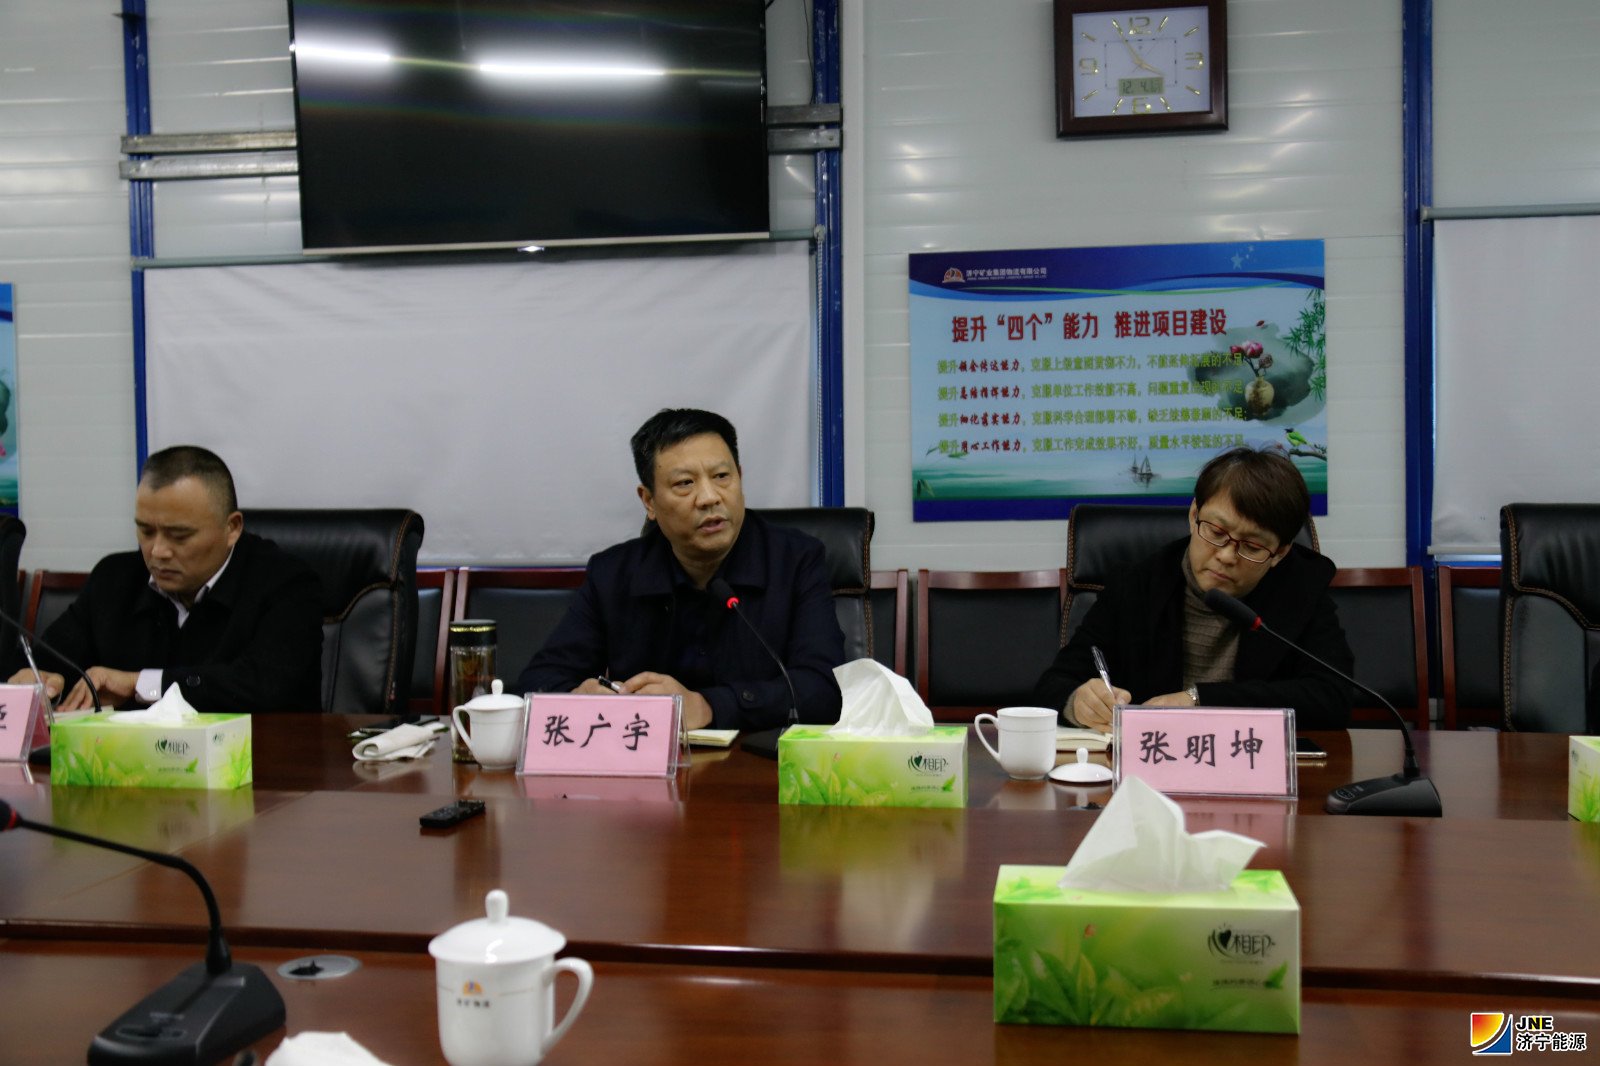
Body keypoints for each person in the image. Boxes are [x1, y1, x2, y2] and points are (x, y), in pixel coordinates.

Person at [513, 408, 846, 732]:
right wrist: (576, 698)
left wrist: (707, 706)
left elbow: (824, 690)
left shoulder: (795, 560)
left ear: (740, 478)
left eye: (722, 477)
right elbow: (539, 680)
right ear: (649, 501)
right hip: (646, 763)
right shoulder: (613, 574)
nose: (709, 498)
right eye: (685, 483)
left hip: (759, 763)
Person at [1032, 446, 1353, 731]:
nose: (1226, 556)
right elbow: (1054, 684)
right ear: (1193, 514)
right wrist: (1079, 702)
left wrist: (1200, 700)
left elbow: (1333, 695)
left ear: (1279, 553)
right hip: (1151, 768)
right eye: (1216, 531)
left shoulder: (1300, 589)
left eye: (1252, 547)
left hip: (1252, 765)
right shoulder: (1136, 585)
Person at [7, 445, 323, 713]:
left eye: (179, 535)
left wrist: (140, 684)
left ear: (232, 528)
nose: (157, 551)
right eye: (146, 531)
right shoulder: (113, 580)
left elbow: (266, 687)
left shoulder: (287, 585)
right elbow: (46, 663)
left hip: (258, 761)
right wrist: (43, 682)